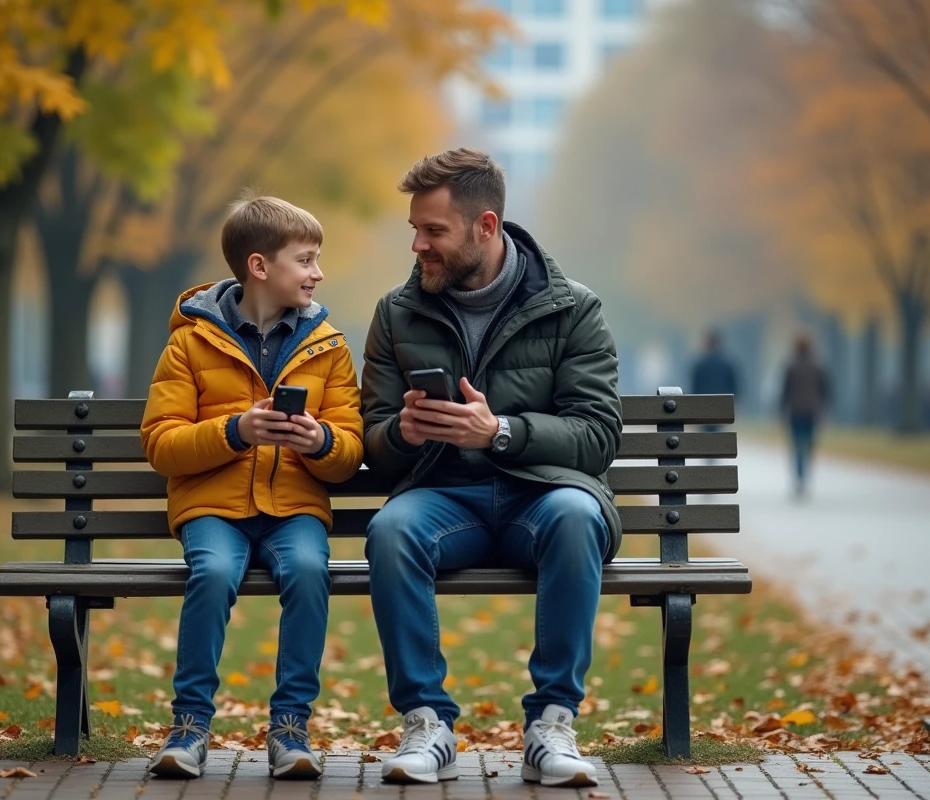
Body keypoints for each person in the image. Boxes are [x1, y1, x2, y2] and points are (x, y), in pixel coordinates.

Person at [360, 149, 623, 788]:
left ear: (485, 226)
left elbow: (597, 435)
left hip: (544, 495)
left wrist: (500, 431)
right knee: (391, 529)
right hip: (447, 500)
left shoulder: (573, 308)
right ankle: (427, 724)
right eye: (415, 230)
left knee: (577, 515)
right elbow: (373, 441)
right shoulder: (396, 312)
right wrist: (402, 432)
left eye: (434, 231)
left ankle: (551, 725)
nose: (418, 245)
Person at [140, 194, 364, 780]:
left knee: (310, 571)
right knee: (213, 573)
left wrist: (320, 441)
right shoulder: (190, 343)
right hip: (213, 508)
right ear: (260, 266)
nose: (318, 273)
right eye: (305, 260)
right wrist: (235, 431)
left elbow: (349, 449)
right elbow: (162, 444)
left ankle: (290, 728)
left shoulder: (329, 347)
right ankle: (189, 727)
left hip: (295, 507)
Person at [780, 334, 829, 498]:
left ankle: (799, 476)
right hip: (811, 411)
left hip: (795, 411)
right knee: (808, 445)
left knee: (797, 446)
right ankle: (804, 474)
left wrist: (781, 411)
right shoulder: (818, 366)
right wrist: (824, 411)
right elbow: (825, 391)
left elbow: (785, 391)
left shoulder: (791, 366)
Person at [690, 330, 740, 432]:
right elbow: (734, 388)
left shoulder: (700, 365)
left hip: (704, 409)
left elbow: (695, 389)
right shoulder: (727, 365)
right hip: (722, 408)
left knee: (706, 433)